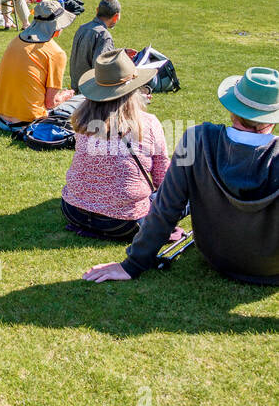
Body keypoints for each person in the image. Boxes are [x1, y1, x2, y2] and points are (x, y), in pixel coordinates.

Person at [84, 66, 279, 285]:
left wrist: (133, 263)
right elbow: (166, 207)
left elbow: (166, 207)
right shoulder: (198, 140)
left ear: (233, 108)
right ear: (271, 117)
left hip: (217, 256)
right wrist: (132, 265)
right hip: (269, 268)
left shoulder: (197, 139)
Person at [62, 49, 172, 239]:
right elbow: (163, 178)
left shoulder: (82, 120)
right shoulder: (148, 123)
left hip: (73, 211)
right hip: (124, 222)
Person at [0, 0, 77, 126]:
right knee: (81, 101)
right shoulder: (56, 53)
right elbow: (51, 103)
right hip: (28, 122)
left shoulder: (16, 41)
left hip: (0, 119)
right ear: (56, 26)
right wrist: (65, 96)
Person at [69, 0, 121, 91]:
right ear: (116, 16)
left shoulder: (82, 28)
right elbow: (102, 69)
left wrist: (121, 53)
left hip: (76, 86)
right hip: (90, 90)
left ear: (97, 10)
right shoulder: (104, 35)